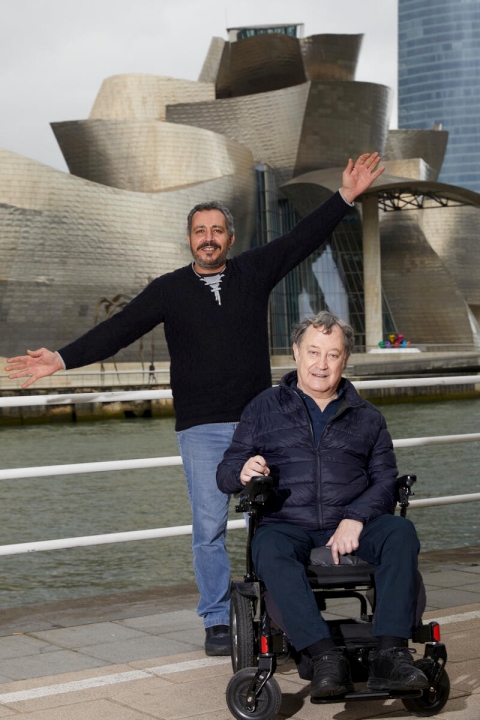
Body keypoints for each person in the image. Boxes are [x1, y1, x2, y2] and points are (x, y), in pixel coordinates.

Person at [5, 153, 385, 657]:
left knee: (271, 523)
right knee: (208, 527)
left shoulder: (254, 270)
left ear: (230, 238)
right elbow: (117, 331)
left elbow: (302, 239)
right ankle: (215, 619)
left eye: (217, 230)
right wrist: (60, 358)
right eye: (199, 230)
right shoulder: (168, 290)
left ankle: (278, 610)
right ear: (190, 239)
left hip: (263, 424)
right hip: (202, 429)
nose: (209, 238)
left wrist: (344, 197)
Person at [216, 310, 429, 697]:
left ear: (345, 359)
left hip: (351, 524)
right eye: (313, 352)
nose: (321, 364)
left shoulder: (368, 417)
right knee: (268, 548)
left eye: (332, 354)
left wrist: (356, 517)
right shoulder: (263, 409)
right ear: (296, 353)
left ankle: (390, 654)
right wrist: (243, 470)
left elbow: (384, 479)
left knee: (400, 531)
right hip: (286, 522)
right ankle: (323, 655)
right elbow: (226, 472)